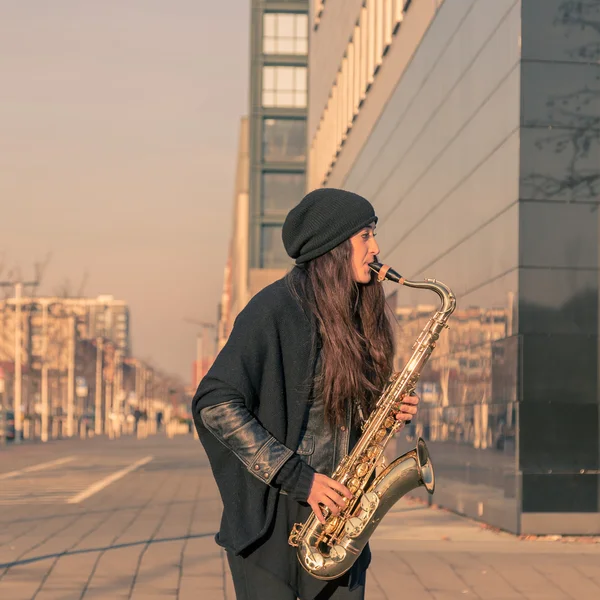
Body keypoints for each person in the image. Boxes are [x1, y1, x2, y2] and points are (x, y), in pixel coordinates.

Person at [192, 188, 419, 600]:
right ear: (333, 245)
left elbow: (336, 416)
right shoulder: (274, 308)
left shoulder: (356, 315)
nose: (376, 247)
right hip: (273, 525)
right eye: (365, 235)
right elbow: (216, 403)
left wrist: (385, 410)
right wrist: (300, 479)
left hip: (340, 524)